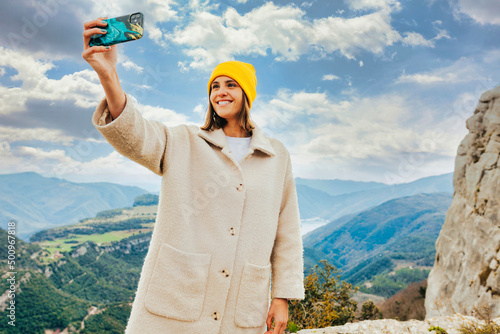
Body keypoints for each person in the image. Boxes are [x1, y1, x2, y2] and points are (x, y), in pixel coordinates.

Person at [82, 16, 305, 334]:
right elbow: (135, 134)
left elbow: (288, 231)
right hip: (176, 304)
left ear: (247, 94)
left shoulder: (276, 155)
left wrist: (281, 297)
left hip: (242, 307)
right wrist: (109, 75)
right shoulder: (183, 140)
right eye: (215, 86)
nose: (220, 92)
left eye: (230, 84)